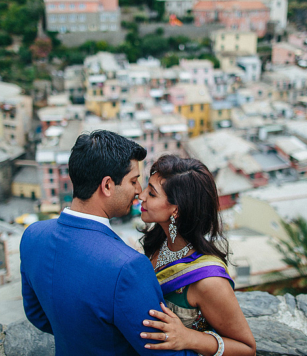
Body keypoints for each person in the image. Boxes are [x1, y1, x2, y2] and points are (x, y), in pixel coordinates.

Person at [20, 131, 196, 356]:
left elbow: (37, 315)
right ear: (107, 186)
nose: (138, 191)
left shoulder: (33, 235)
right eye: (133, 181)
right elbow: (161, 352)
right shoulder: (128, 267)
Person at [138, 155, 256, 356]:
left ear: (176, 209)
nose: (141, 196)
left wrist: (188, 337)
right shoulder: (160, 241)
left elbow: (247, 349)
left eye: (152, 193)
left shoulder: (209, 280)